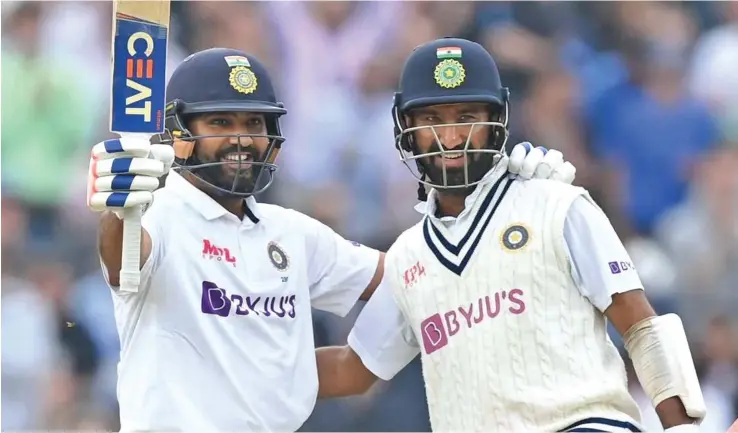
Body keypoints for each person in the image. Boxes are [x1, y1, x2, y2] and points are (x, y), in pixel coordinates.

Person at [86, 47, 578, 432]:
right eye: (220, 122)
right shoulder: (158, 214)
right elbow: (122, 261)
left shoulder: (289, 233)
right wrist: (118, 210)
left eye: (253, 122)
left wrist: (512, 205)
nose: (241, 138)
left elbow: (423, 273)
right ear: (179, 135)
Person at [314, 38, 708, 433]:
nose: (452, 139)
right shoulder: (408, 257)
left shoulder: (556, 203)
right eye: (432, 120)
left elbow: (642, 327)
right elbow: (352, 370)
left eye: (466, 116)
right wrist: (256, 357)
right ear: (407, 129)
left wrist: (681, 428)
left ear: (496, 121)